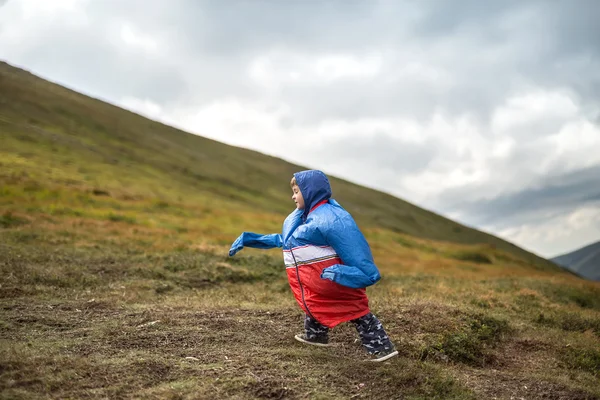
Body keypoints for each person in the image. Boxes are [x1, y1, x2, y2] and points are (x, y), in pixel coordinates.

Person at [229, 170, 397, 362]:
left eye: (296, 191)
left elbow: (356, 249)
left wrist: (348, 273)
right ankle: (316, 336)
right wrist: (251, 239)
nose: (293, 196)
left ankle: (381, 348)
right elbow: (288, 240)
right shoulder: (303, 218)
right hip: (316, 283)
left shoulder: (332, 218)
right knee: (314, 306)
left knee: (357, 312)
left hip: (335, 281)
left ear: (309, 192)